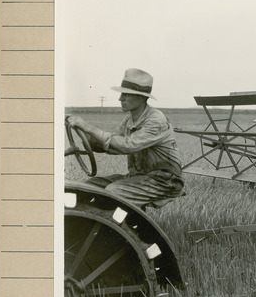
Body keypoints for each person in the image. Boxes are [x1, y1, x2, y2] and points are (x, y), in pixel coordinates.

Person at [65, 68, 185, 208]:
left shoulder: (156, 120)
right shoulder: (129, 120)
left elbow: (127, 145)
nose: (120, 98)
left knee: (113, 192)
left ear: (141, 97)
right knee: (90, 186)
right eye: (122, 94)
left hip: (165, 181)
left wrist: (87, 127)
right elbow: (112, 144)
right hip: (140, 177)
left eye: (126, 94)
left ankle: (117, 220)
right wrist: (84, 135)